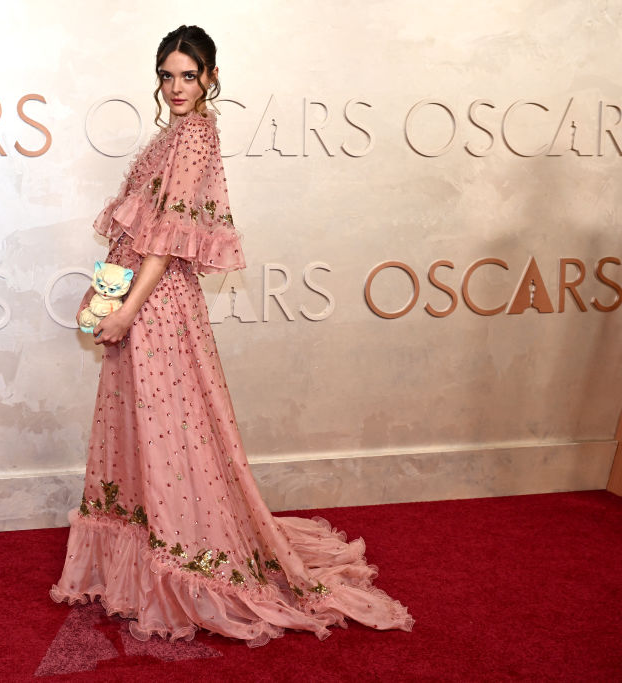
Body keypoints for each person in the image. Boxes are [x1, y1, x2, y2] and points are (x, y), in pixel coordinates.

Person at [50, 25, 414, 647]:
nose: (176, 87)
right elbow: (142, 233)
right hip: (143, 298)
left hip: (157, 306)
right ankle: (150, 557)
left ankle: (180, 560)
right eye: (167, 76)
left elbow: (166, 242)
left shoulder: (194, 135)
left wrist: (127, 310)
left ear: (211, 77)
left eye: (188, 76)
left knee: (167, 428)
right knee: (153, 427)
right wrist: (108, 292)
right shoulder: (174, 132)